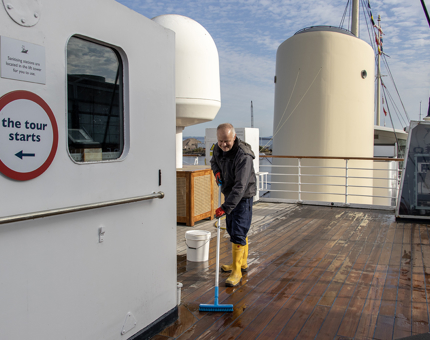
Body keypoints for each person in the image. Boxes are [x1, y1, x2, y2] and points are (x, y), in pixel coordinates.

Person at [210, 123, 256, 287]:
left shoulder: (243, 155)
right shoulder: (217, 148)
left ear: (234, 138)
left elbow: (240, 187)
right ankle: (242, 263)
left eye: (227, 141)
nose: (223, 145)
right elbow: (214, 161)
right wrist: (217, 172)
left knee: (238, 230)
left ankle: (237, 271)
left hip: (243, 196)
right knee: (232, 229)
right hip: (230, 194)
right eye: (221, 141)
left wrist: (225, 207)